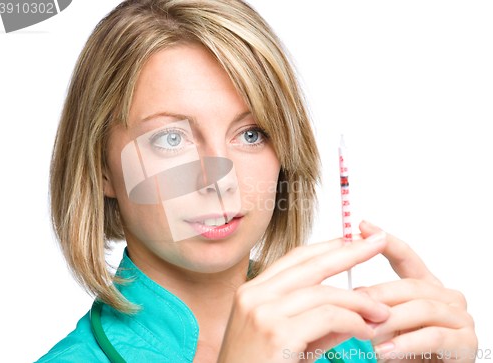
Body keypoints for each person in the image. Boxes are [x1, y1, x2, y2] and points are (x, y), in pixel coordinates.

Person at [36, 0, 477, 362]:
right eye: (172, 138)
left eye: (251, 134)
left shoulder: (361, 345)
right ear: (102, 168)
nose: (219, 179)